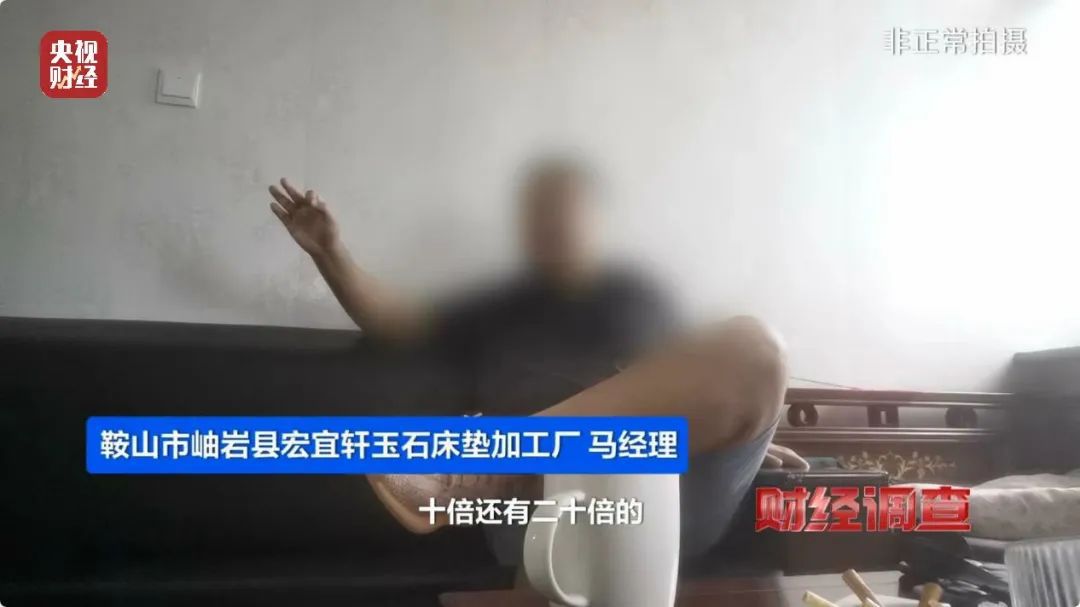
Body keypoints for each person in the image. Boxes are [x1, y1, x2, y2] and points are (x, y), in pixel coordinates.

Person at [267, 157, 807, 561]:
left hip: (669, 494)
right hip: (552, 510)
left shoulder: (637, 300)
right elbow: (395, 322)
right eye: (541, 211)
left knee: (756, 348)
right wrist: (331, 254)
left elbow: (715, 378)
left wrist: (743, 434)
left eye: (570, 209)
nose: (556, 223)